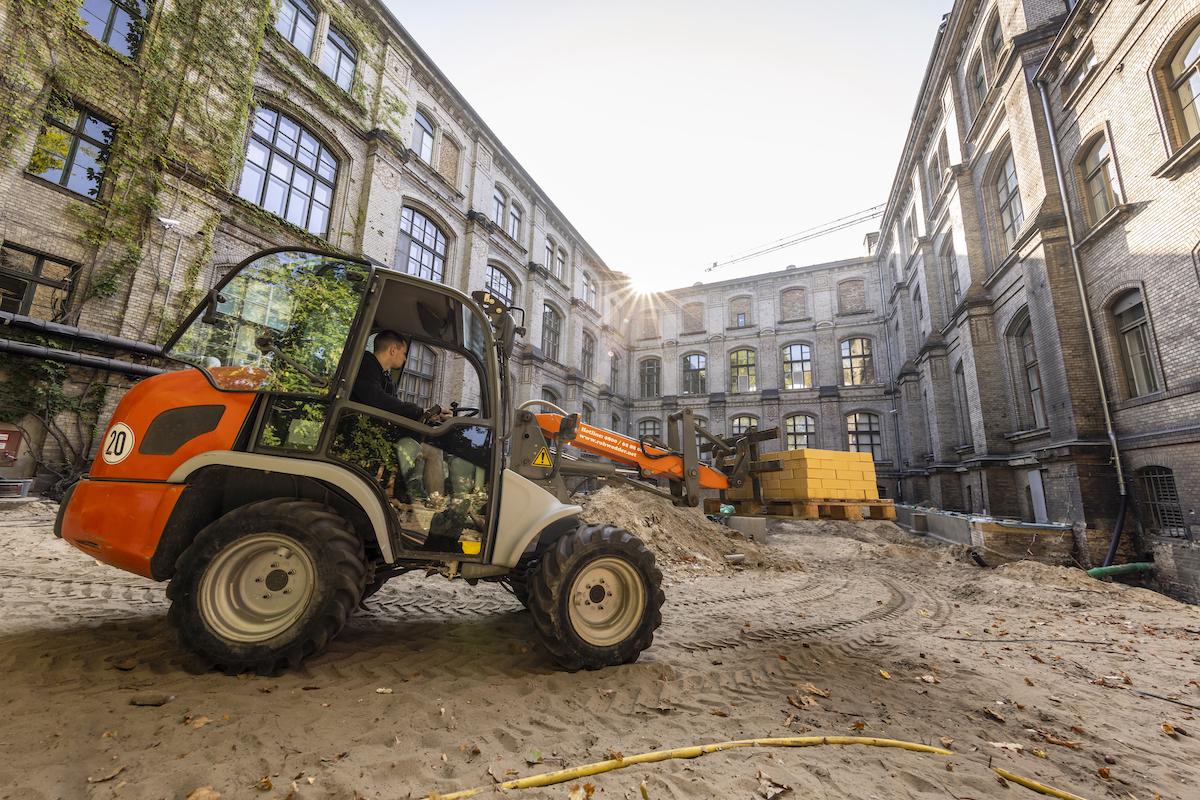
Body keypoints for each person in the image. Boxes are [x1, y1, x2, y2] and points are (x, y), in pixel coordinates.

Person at [351, 330, 453, 507]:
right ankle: (436, 504)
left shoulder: (384, 376)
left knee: (428, 443)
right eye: (404, 354)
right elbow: (378, 400)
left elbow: (393, 405)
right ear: (392, 350)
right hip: (365, 437)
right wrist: (419, 411)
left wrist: (429, 415)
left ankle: (416, 497)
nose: (405, 359)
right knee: (433, 451)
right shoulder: (366, 366)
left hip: (379, 433)